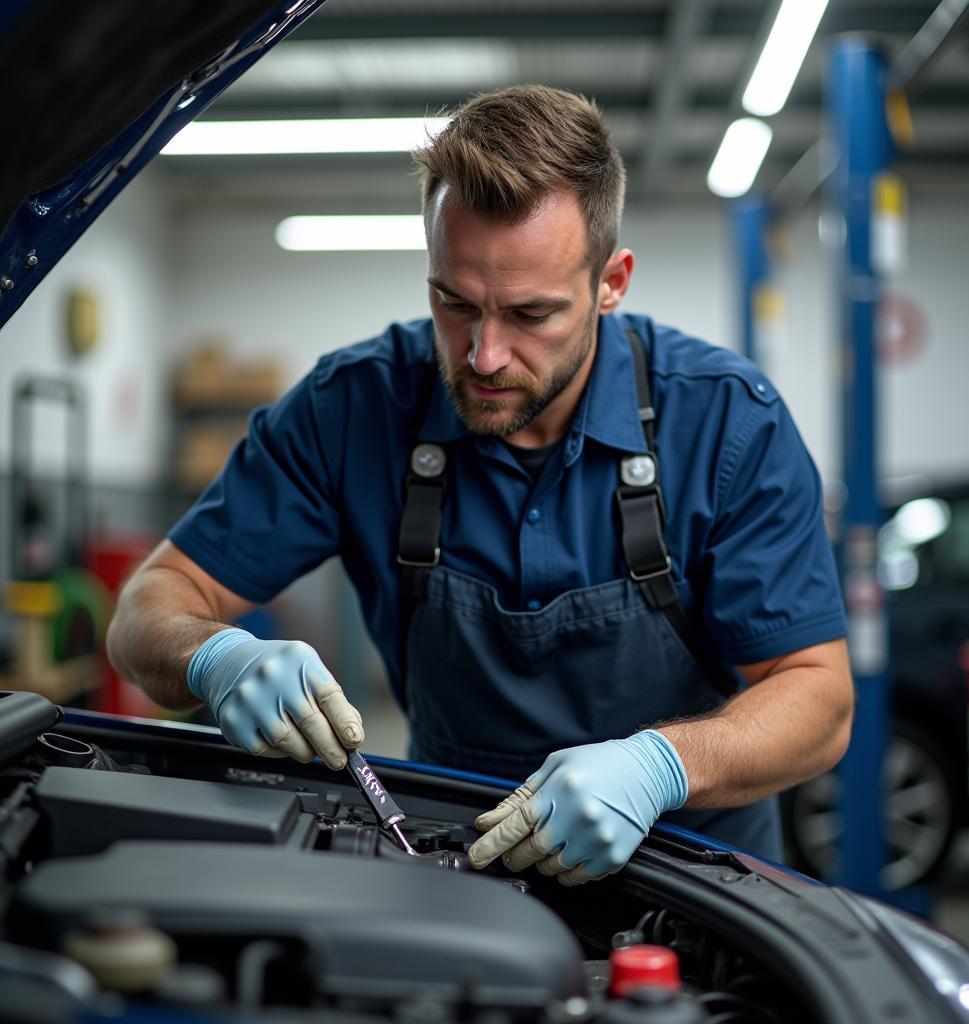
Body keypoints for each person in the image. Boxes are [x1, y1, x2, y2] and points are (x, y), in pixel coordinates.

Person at [108, 84, 852, 885]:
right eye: (454, 302)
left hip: (696, 880)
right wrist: (215, 656)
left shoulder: (727, 424)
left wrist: (662, 767)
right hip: (451, 866)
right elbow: (147, 609)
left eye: (532, 314)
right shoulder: (354, 407)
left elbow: (818, 697)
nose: (485, 355)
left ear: (612, 282)